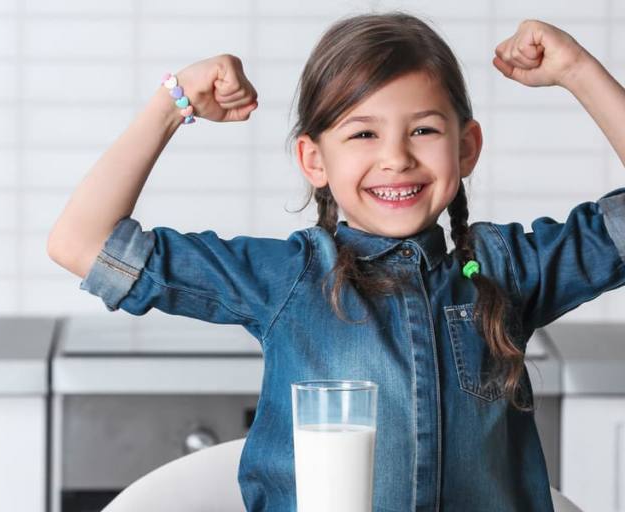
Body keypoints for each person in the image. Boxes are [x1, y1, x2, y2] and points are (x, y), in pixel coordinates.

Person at [47, 11, 625, 512]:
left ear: (466, 147)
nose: (395, 157)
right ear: (313, 159)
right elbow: (81, 243)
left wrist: (578, 71)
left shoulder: (507, 272)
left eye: (423, 129)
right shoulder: (286, 279)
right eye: (363, 134)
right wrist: (172, 104)